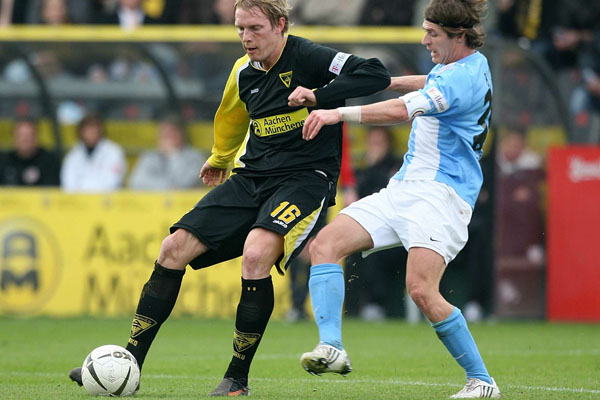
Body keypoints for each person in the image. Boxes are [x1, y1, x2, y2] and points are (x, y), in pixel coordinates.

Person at [68, 0, 390, 396]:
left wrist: (319, 95)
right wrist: (220, 158)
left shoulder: (309, 56)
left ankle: (237, 378)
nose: (245, 37)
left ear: (280, 25)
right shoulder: (242, 71)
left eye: (255, 28)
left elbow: (375, 73)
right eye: (240, 29)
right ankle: (128, 362)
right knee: (173, 248)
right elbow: (231, 118)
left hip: (305, 180)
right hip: (251, 177)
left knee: (255, 256)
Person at [298, 0, 501, 398]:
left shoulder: (461, 80)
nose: (424, 40)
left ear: (459, 35)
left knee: (421, 290)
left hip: (442, 196)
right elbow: (429, 80)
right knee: (325, 244)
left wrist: (337, 112)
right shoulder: (467, 64)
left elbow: (402, 111)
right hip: (405, 188)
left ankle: (482, 381)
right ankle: (332, 347)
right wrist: (385, 79)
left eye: (432, 34)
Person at [128, 115, 207, 190]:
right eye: (163, 133)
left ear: (181, 135)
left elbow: (184, 185)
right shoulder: (149, 156)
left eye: (171, 133)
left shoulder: (195, 157)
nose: (167, 137)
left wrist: (174, 155)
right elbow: (135, 182)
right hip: (152, 199)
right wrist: (166, 187)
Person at [60, 113, 127, 192]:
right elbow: (68, 183)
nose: (91, 133)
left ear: (100, 130)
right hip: (78, 198)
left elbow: (113, 181)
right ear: (80, 131)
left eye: (93, 129)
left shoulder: (114, 151)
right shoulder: (73, 154)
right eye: (87, 129)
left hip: (107, 198)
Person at [0, 118, 61, 186]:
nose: (25, 140)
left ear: (36, 137)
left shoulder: (49, 161)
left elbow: (53, 188)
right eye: (21, 136)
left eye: (29, 136)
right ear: (14, 138)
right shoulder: (4, 161)